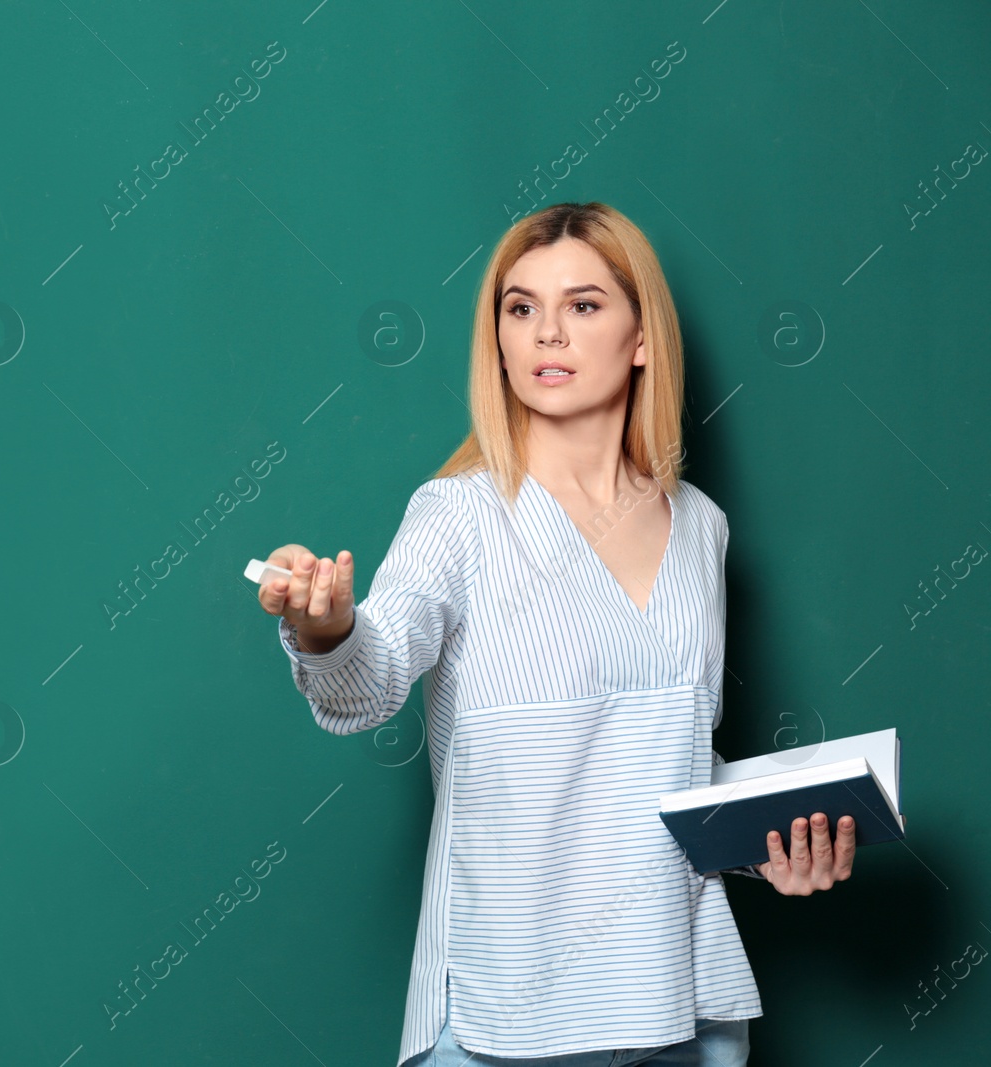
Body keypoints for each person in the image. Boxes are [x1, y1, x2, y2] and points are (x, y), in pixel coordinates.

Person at [256, 202, 857, 1067]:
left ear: (642, 337)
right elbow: (370, 680)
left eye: (583, 305)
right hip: (508, 1007)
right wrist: (326, 627)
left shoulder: (701, 529)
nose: (547, 333)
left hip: (683, 1006)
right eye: (520, 307)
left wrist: (775, 849)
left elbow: (662, 766)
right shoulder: (459, 513)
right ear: (498, 341)